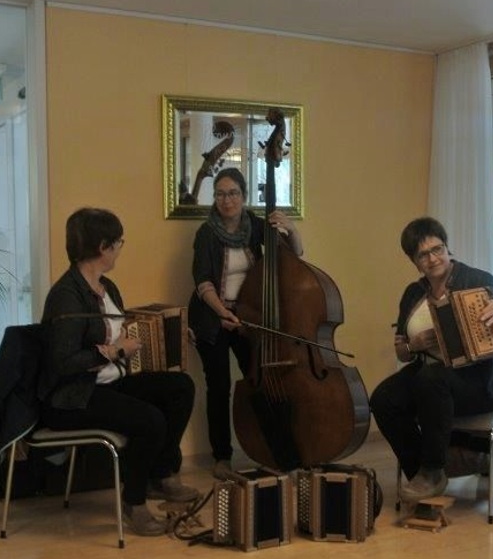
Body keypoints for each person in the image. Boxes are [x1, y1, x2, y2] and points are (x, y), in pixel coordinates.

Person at [38, 208, 200, 537]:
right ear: (103, 247)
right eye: (118, 243)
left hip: (109, 383)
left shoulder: (106, 286)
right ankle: (134, 502)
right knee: (149, 419)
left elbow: (117, 330)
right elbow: (63, 362)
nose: (119, 249)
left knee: (180, 386)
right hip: (74, 396)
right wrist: (115, 351)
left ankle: (161, 473)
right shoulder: (66, 296)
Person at [369, 217, 493, 501]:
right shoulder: (413, 293)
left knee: (430, 379)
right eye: (423, 254)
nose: (433, 259)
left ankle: (433, 470)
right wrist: (413, 344)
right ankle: (425, 468)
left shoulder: (479, 280)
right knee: (383, 398)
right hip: (432, 376)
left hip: (483, 380)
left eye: (437, 249)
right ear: (414, 261)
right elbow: (401, 352)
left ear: (447, 247)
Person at [187, 167, 303, 477]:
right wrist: (222, 312)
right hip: (212, 318)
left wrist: (291, 229)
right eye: (221, 194)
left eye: (233, 193)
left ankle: (278, 453)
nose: (227, 200)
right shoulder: (207, 233)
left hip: (249, 319)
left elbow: (294, 256)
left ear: (244, 195)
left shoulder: (255, 226)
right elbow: (202, 281)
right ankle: (222, 457)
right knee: (219, 385)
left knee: (262, 380)